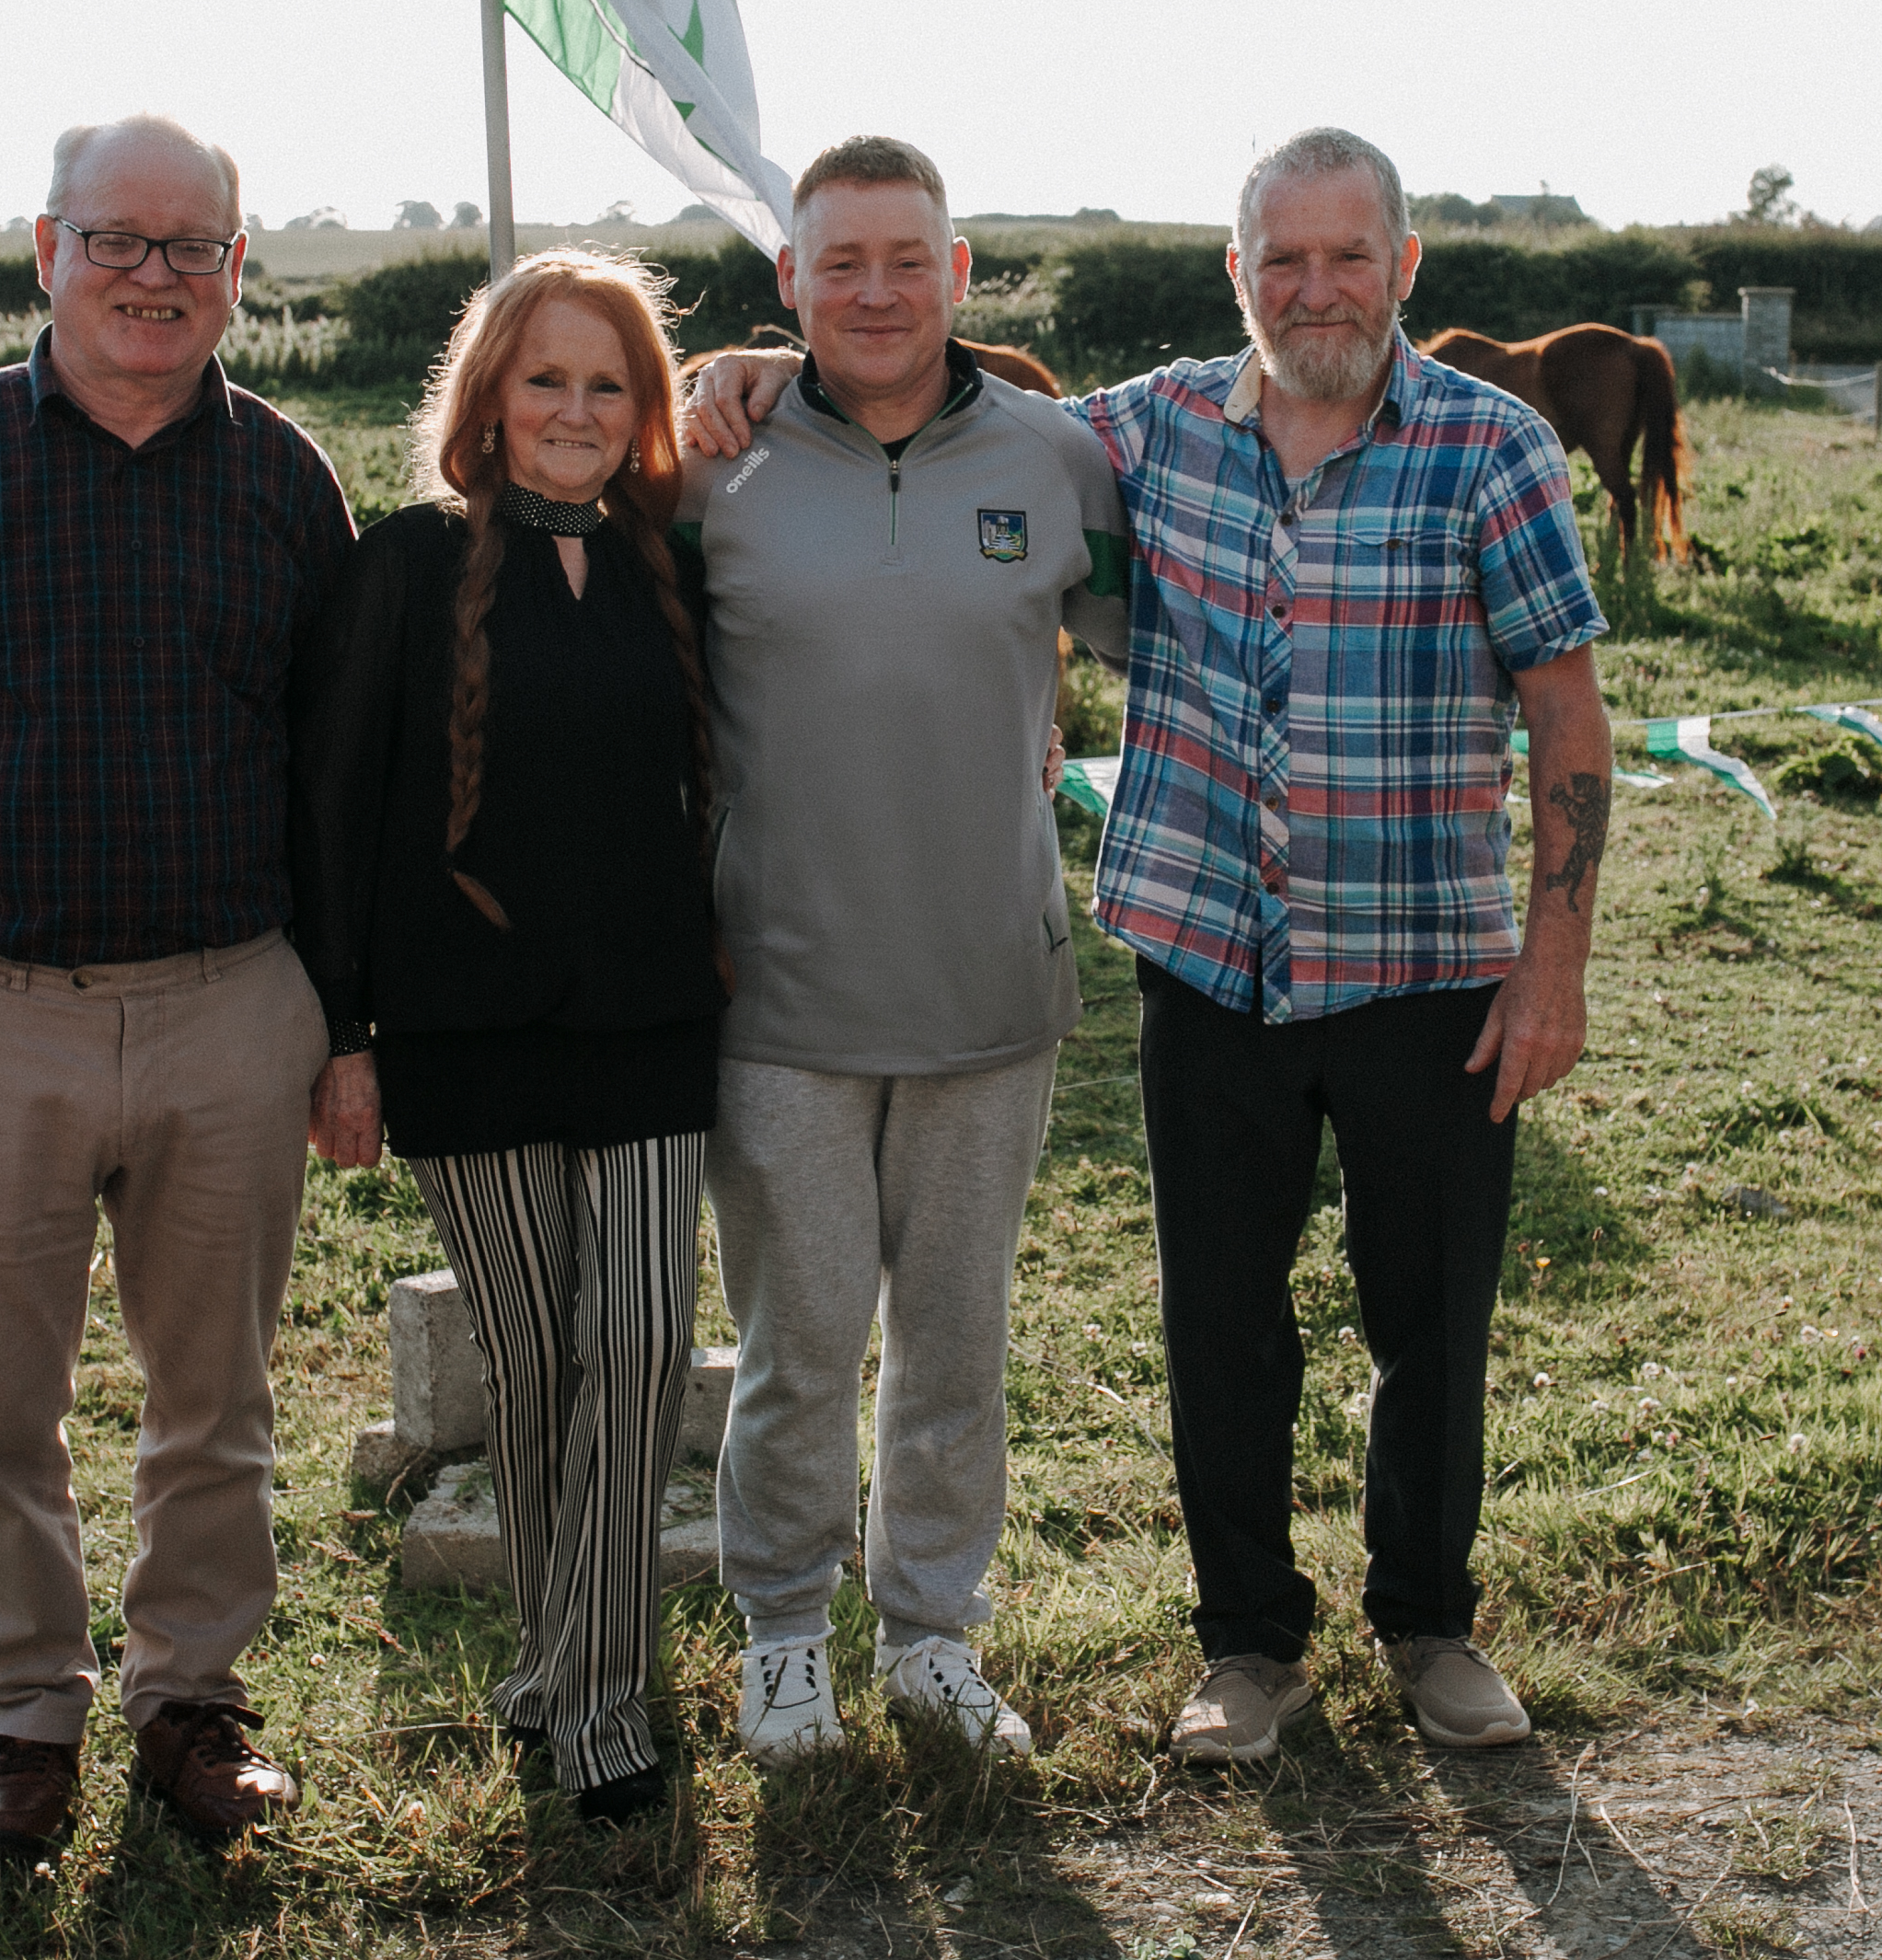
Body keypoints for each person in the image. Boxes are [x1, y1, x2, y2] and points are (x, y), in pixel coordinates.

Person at [685, 127, 1613, 1764]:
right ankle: (1246, 1648)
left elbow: (1566, 712)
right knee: (1217, 1328)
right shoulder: (1148, 428)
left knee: (1431, 1318)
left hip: (1427, 969)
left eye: (1347, 257)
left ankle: (1428, 1625)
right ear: (1234, 270)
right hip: (1208, 961)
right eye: (1282, 257)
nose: (1312, 288)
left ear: (1406, 268)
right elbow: (912, 389)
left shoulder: (1490, 450)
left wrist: (1558, 965)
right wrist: (764, 362)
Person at [0, 113, 357, 1856]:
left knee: (216, 1400)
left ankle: (192, 1706)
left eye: (194, 248)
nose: (154, 277)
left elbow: (332, 763)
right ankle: (27, 1720)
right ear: (47, 251)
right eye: (120, 241)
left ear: (239, 272)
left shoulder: (282, 481)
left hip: (231, 1000)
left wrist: (343, 1024)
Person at [678, 135, 1129, 1768]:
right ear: (788, 281)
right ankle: (783, 1635)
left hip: (989, 991)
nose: (876, 290)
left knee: (957, 1346)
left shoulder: (1060, 459)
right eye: (840, 262)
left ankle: (933, 1632)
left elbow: (1182, 637)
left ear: (959, 275)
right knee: (798, 1348)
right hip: (776, 997)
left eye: (908, 259)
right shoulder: (705, 462)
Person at [287, 250, 723, 1827]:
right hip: (466, 1041)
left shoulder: (670, 570)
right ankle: (554, 1661)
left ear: (643, 411)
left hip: (656, 1029)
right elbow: (329, 816)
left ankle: (599, 1698)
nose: (577, 410)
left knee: (644, 1346)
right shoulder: (403, 568)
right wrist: (342, 1037)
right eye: (545, 378)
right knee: (537, 1365)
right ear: (487, 398)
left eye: (610, 384)